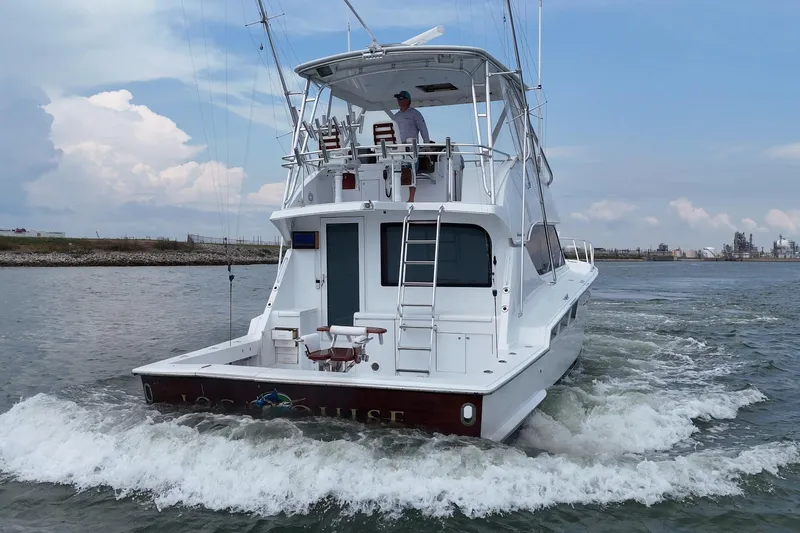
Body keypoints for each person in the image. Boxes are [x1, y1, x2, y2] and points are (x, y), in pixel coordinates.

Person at [392, 90, 430, 202]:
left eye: (402, 98)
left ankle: (411, 197)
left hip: (411, 148)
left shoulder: (415, 114)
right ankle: (395, 195)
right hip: (399, 148)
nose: (399, 100)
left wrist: (427, 144)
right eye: (398, 98)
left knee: (412, 170)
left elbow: (423, 129)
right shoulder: (396, 116)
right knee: (395, 169)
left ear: (408, 100)